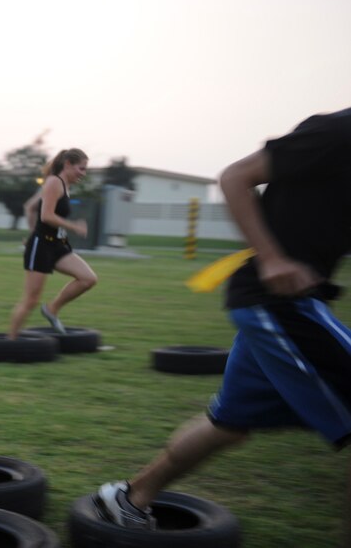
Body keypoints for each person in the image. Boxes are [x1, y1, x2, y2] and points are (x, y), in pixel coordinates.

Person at [96, 108, 351, 534]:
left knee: (229, 424)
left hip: (295, 306)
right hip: (278, 303)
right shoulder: (338, 131)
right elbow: (235, 176)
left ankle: (128, 498)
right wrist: (271, 259)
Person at [7, 148, 97, 339]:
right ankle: (10, 343)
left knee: (88, 279)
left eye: (85, 169)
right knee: (31, 300)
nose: (83, 173)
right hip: (42, 247)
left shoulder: (63, 185)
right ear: (67, 165)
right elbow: (46, 216)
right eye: (81, 168)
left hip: (58, 246)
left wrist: (31, 233)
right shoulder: (54, 182)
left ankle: (52, 308)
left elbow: (30, 207)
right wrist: (73, 226)